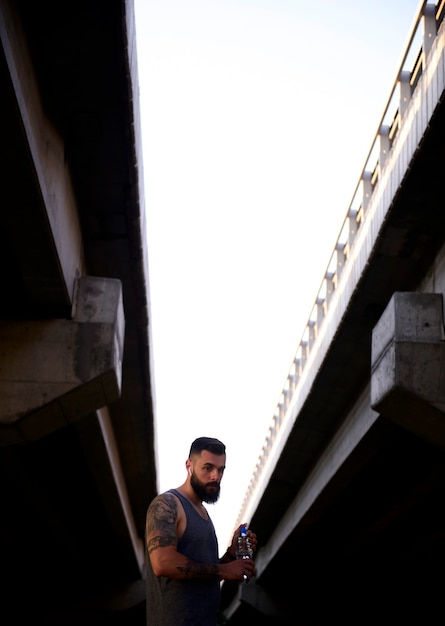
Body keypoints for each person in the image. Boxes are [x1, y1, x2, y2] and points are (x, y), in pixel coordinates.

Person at [145, 436, 257, 625]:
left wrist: (230, 556)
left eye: (221, 470)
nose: (215, 476)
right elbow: (163, 563)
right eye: (208, 468)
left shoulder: (203, 514)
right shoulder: (168, 504)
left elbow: (202, 576)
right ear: (189, 465)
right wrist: (223, 570)